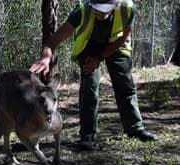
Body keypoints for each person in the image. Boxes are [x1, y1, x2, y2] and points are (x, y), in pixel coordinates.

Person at [30, 0, 158, 150]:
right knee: (89, 87)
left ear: (115, 5)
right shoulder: (82, 11)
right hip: (89, 47)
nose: (100, 13)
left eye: (105, 9)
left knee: (124, 83)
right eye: (97, 9)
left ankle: (135, 128)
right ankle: (87, 137)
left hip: (117, 44)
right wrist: (46, 58)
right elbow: (53, 41)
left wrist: (100, 57)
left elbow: (123, 37)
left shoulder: (127, 8)